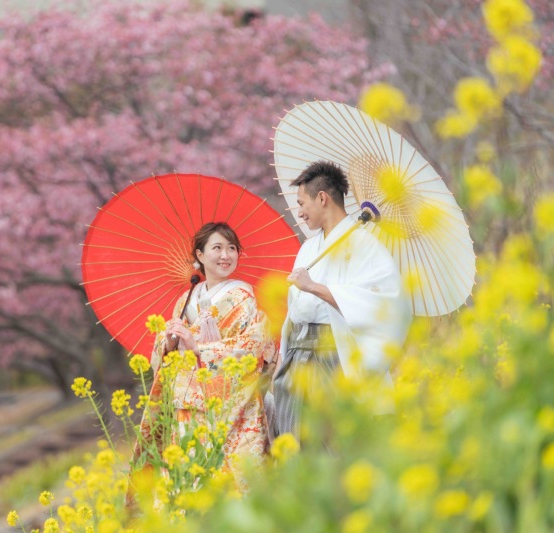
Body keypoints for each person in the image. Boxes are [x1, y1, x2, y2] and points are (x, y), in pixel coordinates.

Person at [270, 161, 412, 441]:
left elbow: (387, 306)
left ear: (322, 198)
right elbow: (294, 312)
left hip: (335, 356)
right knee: (293, 441)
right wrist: (282, 361)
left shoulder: (365, 245)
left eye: (302, 203)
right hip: (296, 356)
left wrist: (315, 287)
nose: (300, 212)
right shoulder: (309, 248)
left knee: (331, 444)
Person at [145, 222, 277, 465]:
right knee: (190, 469)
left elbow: (254, 345)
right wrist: (170, 342)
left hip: (233, 402)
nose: (226, 255)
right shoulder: (186, 299)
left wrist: (199, 348)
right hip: (188, 402)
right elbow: (166, 353)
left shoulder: (244, 297)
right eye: (217, 248)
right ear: (200, 254)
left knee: (229, 472)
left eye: (232, 248)